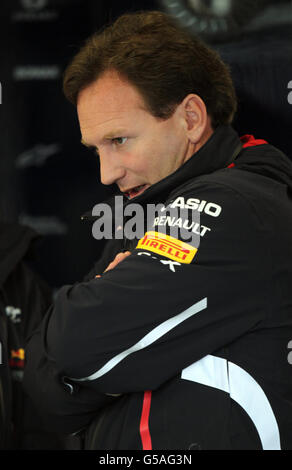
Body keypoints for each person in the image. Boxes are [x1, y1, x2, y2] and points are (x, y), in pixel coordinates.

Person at [23, 10, 292, 450]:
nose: (107, 174)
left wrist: (94, 340)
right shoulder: (155, 209)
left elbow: (71, 345)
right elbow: (47, 392)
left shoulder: (235, 206)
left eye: (120, 140)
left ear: (190, 118)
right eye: (95, 149)